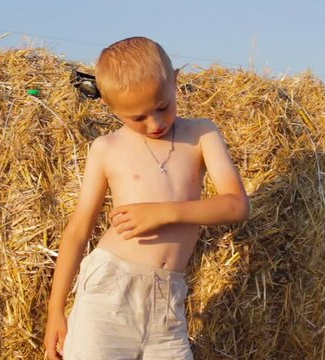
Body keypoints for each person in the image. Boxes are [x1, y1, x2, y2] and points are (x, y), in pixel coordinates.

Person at [44, 36, 250, 360]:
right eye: (137, 118)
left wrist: (164, 212)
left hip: (167, 301)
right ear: (111, 108)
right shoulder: (106, 148)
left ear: (175, 82)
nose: (154, 123)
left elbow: (236, 205)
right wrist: (55, 311)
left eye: (162, 106)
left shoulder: (201, 134)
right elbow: (78, 230)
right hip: (110, 294)